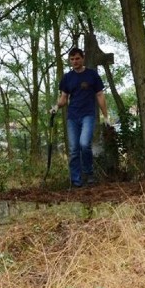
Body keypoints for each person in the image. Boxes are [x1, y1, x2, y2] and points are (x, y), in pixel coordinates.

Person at [51, 47, 111, 188]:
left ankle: (89, 173)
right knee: (73, 149)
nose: (75, 61)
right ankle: (76, 181)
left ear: (82, 58)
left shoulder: (92, 75)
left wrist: (106, 116)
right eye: (72, 59)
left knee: (84, 144)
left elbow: (100, 95)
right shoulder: (67, 78)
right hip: (72, 117)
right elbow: (64, 98)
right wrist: (56, 107)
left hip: (88, 116)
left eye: (77, 58)